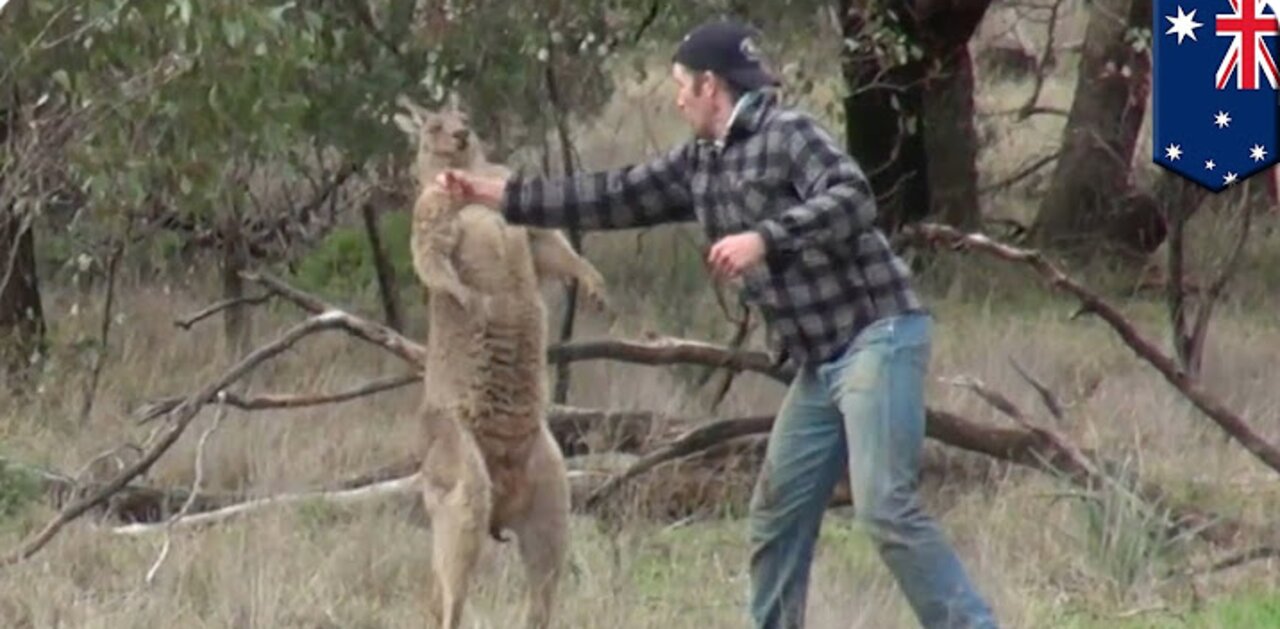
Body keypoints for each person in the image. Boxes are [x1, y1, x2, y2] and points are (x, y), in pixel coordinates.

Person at [433, 17, 999, 629]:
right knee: (777, 517)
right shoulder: (699, 163)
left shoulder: (788, 133)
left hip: (878, 338)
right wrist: (489, 194)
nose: (675, 97)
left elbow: (853, 198)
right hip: (820, 363)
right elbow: (608, 196)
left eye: (681, 84)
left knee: (885, 506)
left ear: (710, 85)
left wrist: (765, 238)